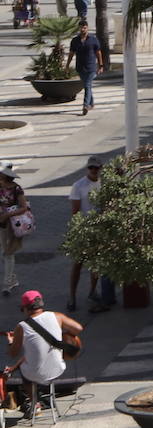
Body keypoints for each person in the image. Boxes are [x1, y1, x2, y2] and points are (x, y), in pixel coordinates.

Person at [5, 291, 83, 420]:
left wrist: (11, 341)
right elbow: (78, 328)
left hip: (35, 375)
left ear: (25, 308)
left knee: (25, 369)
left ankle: (35, 404)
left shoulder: (22, 327)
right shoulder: (57, 316)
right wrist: (61, 334)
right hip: (58, 369)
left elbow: (13, 353)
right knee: (29, 359)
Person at [66, 157, 105, 313]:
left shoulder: (104, 183)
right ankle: (72, 297)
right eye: (91, 168)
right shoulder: (78, 186)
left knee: (95, 264)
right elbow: (75, 211)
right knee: (78, 264)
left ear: (100, 168)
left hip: (99, 228)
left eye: (96, 168)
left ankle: (92, 291)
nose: (94, 170)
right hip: (83, 229)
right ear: (87, 168)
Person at [64, 20, 103, 116]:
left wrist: (101, 65)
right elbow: (71, 54)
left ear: (87, 28)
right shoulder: (75, 41)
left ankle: (85, 105)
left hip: (91, 67)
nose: (82, 29)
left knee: (87, 85)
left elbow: (98, 53)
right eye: (81, 27)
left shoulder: (93, 39)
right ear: (79, 28)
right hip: (80, 68)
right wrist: (67, 65)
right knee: (87, 86)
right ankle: (91, 103)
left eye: (84, 27)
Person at [0, 165, 27, 297]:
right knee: (4, 252)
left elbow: (24, 207)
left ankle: (7, 283)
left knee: (8, 253)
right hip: (1, 224)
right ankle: (12, 277)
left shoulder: (17, 189)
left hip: (12, 225)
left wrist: (7, 214)